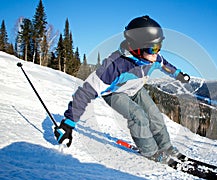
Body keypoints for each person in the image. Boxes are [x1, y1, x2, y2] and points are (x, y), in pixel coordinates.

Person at [54, 15, 190, 164]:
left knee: (155, 115)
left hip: (135, 89)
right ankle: (150, 152)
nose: (157, 53)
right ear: (137, 47)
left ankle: (166, 147)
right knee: (138, 116)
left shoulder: (152, 57)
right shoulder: (115, 66)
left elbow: (165, 65)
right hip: (115, 93)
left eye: (159, 47)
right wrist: (68, 123)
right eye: (153, 48)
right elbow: (85, 92)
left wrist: (179, 75)